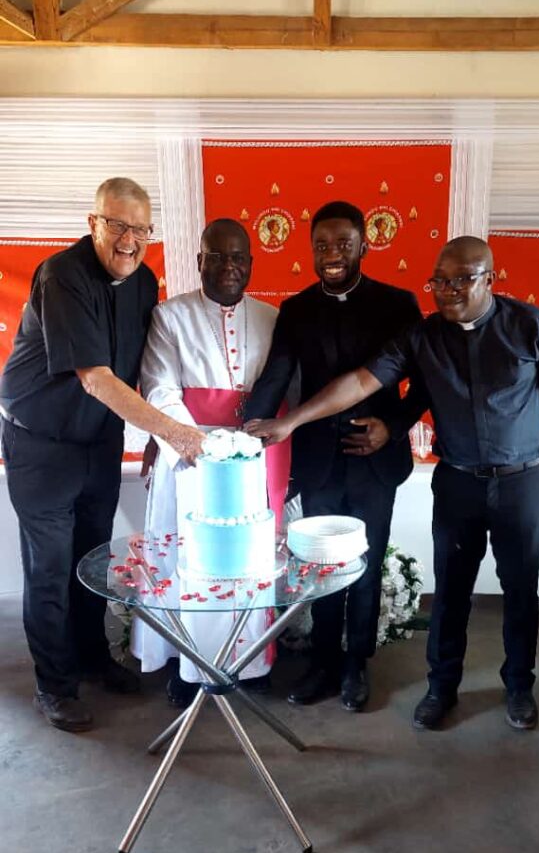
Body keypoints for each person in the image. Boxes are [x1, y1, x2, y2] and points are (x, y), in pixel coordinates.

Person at [246, 236, 539, 731]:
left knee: (521, 591)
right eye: (439, 281)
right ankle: (441, 687)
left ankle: (518, 689)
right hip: (458, 482)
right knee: (451, 593)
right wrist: (292, 422)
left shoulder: (531, 325)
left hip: (522, 482)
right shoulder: (423, 337)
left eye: (462, 279)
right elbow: (360, 382)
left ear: (490, 277)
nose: (447, 291)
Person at [0, 178, 205, 733]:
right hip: (40, 445)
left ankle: (91, 657)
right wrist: (178, 437)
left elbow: (148, 367)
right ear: (93, 223)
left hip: (99, 443)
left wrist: (175, 424)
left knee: (92, 562)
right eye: (117, 225)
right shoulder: (61, 276)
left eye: (140, 229)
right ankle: (55, 686)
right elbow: (95, 378)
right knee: (49, 569)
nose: (129, 241)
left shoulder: (143, 282)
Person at [245, 201, 423, 712]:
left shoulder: (398, 304)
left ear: (364, 245)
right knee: (321, 566)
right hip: (319, 458)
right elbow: (278, 371)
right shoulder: (297, 308)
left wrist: (393, 428)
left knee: (365, 565)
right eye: (322, 245)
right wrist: (244, 433)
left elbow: (423, 384)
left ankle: (355, 665)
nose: (332, 255)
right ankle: (323, 661)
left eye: (343, 244)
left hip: (375, 458)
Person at [131, 218, 287, 707]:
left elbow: (284, 387)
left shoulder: (272, 317)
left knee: (247, 564)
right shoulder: (169, 316)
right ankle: (185, 662)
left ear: (251, 265)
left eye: (238, 257)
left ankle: (252, 658)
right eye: (216, 256)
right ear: (199, 261)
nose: (228, 267)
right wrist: (201, 446)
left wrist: (248, 447)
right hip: (190, 464)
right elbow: (158, 386)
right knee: (189, 564)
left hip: (254, 463)